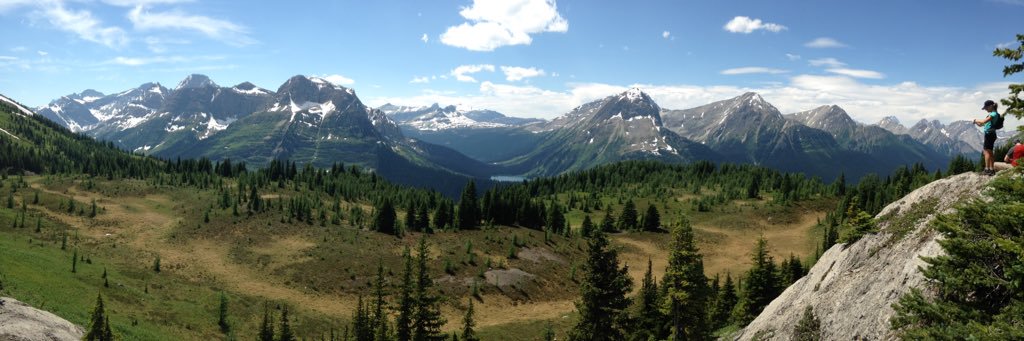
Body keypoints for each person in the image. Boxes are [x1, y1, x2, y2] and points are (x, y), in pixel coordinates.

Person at [973, 100, 1000, 176]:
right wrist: (976, 123)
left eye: (986, 107)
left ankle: (987, 169)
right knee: (990, 152)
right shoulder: (991, 114)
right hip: (991, 134)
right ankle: (992, 170)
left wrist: (975, 120)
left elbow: (983, 122)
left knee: (986, 152)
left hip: (989, 135)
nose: (985, 109)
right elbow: (982, 125)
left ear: (991, 106)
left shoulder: (993, 114)